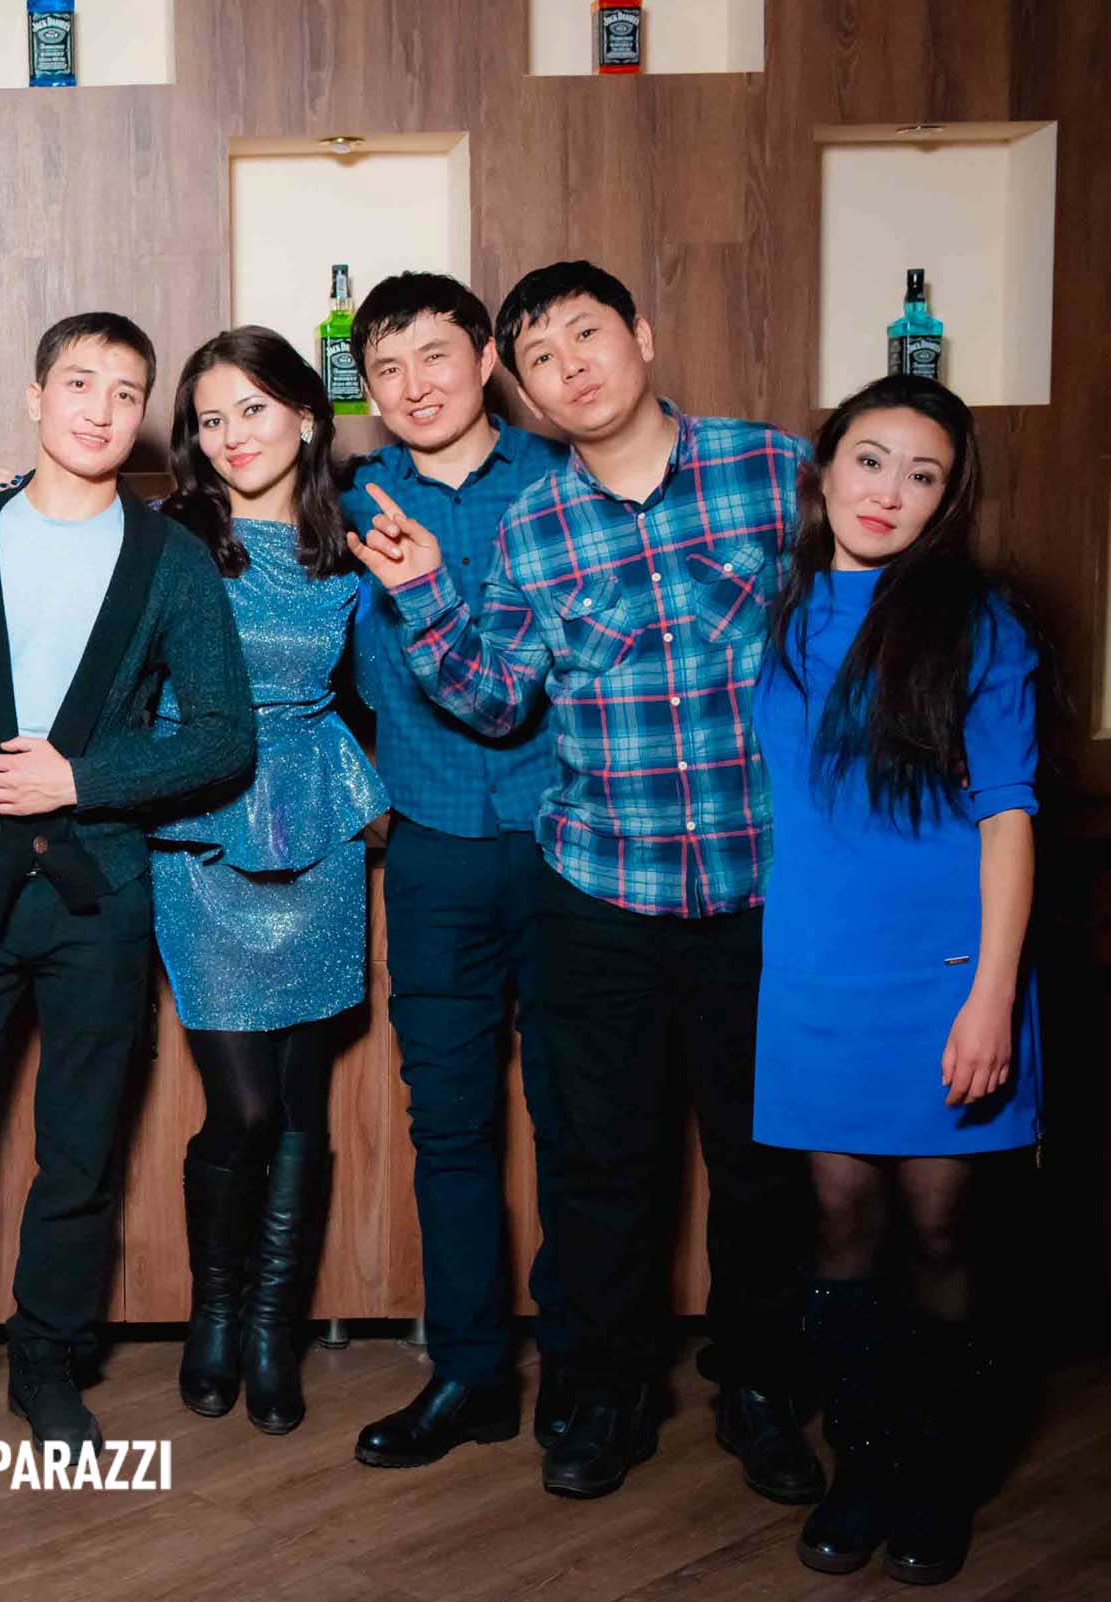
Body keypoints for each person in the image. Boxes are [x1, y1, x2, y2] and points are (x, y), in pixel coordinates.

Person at [348, 260, 820, 1504]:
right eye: (545, 356)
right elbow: (499, 698)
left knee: (761, 1161)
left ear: (641, 337)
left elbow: (865, 636)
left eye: (586, 338)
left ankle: (761, 1389)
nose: (571, 369)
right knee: (606, 1163)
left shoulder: (775, 473)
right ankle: (606, 1394)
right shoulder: (536, 527)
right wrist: (424, 595)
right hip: (603, 883)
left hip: (761, 884)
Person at [0, 312, 255, 1480]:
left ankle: (48, 1366)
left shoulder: (171, 558)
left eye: (125, 391)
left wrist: (83, 779)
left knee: (82, 1152)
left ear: (141, 417)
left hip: (101, 893)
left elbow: (224, 736)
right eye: (80, 383)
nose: (99, 408)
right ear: (36, 396)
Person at [750, 375, 1040, 1586]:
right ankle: (860, 1468)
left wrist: (992, 999)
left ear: (947, 502)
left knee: (938, 1228)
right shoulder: (780, 611)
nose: (889, 493)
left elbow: (1008, 814)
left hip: (945, 975)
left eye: (924, 476)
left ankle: (933, 1478)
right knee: (839, 1227)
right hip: (815, 971)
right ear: (823, 470)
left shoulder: (980, 624)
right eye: (870, 460)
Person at [337, 273, 576, 1468]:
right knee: (450, 1128)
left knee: (584, 1124)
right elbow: (216, 523)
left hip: (571, 842)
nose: (413, 386)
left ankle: (588, 1377)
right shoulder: (350, 497)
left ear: (487, 358)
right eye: (386, 368)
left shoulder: (561, 481)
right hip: (429, 847)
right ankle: (472, 1374)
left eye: (435, 355)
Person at [152, 327, 387, 1435]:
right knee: (240, 1105)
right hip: (201, 835)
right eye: (210, 419)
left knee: (298, 1098)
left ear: (304, 413)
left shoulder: (357, 536)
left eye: (252, 409)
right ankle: (214, 1309)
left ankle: (267, 1332)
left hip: (320, 827)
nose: (232, 436)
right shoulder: (167, 539)